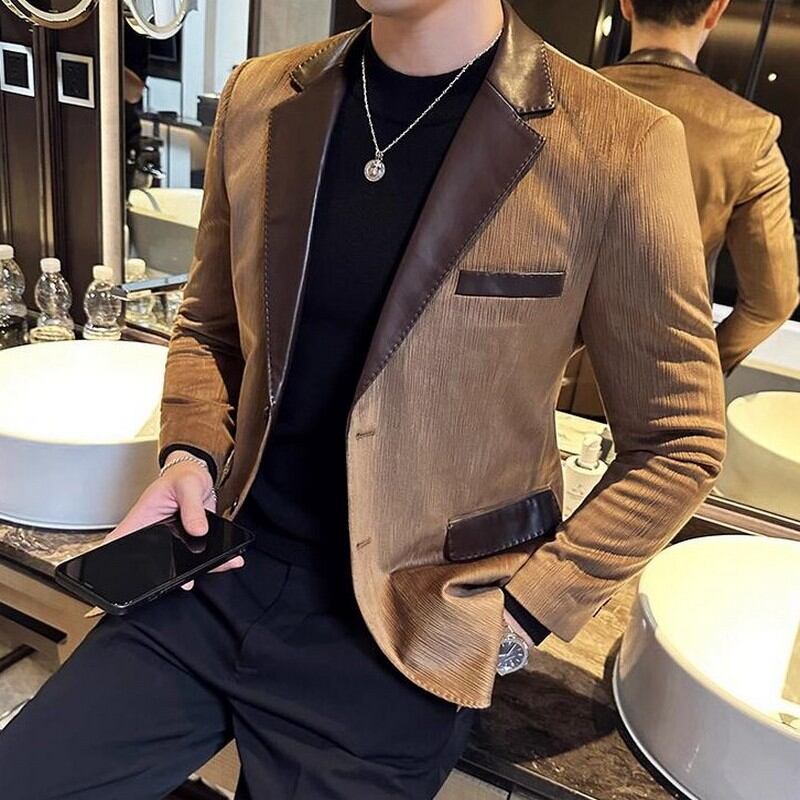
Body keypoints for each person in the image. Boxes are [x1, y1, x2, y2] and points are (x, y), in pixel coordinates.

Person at [0, 1, 726, 798]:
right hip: (218, 569)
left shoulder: (619, 143)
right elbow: (209, 329)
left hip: (406, 625)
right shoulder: (260, 95)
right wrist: (189, 454)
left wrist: (520, 616)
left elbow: (678, 439)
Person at [604, 0, 799, 373]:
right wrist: (696, 366)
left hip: (542, 380)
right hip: (659, 385)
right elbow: (773, 300)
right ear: (715, 11)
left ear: (626, 5)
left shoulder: (558, 100)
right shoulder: (749, 134)